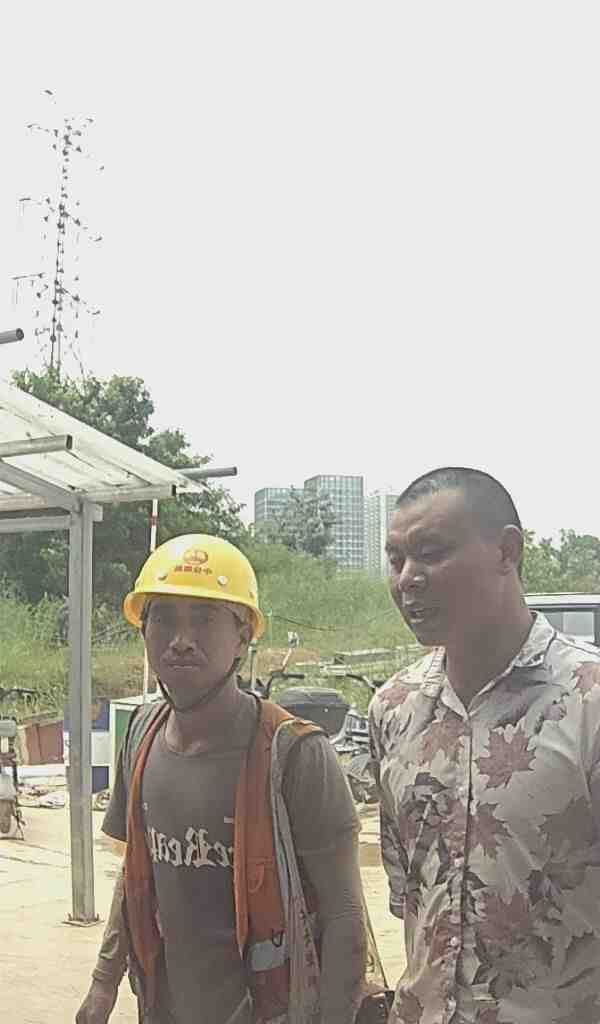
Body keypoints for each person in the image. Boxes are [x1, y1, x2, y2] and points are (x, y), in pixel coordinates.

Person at [76, 534, 367, 1024]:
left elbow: (344, 914)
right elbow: (135, 872)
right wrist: (104, 983)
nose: (181, 639)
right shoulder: (141, 736)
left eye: (204, 618)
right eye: (163, 618)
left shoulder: (294, 754)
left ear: (243, 637)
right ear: (143, 631)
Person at [369, 467, 600, 1024]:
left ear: (506, 551)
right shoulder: (393, 710)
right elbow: (410, 898)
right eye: (396, 560)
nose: (408, 579)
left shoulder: (588, 702)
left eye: (431, 554)